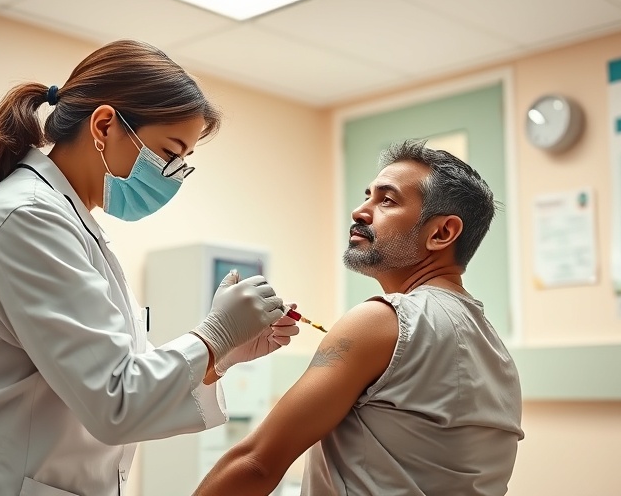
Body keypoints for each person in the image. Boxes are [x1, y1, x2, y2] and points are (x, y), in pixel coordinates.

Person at [0, 40, 299, 496]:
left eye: (183, 163)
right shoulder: (28, 218)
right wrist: (214, 336)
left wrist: (221, 356)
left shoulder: (70, 223)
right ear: (104, 125)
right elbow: (116, 400)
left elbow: (124, 376)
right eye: (168, 153)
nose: (172, 176)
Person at [194, 140, 524, 496]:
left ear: (442, 233)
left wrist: (217, 346)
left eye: (387, 200)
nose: (360, 211)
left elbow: (257, 463)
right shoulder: (494, 348)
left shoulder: (382, 320)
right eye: (367, 196)